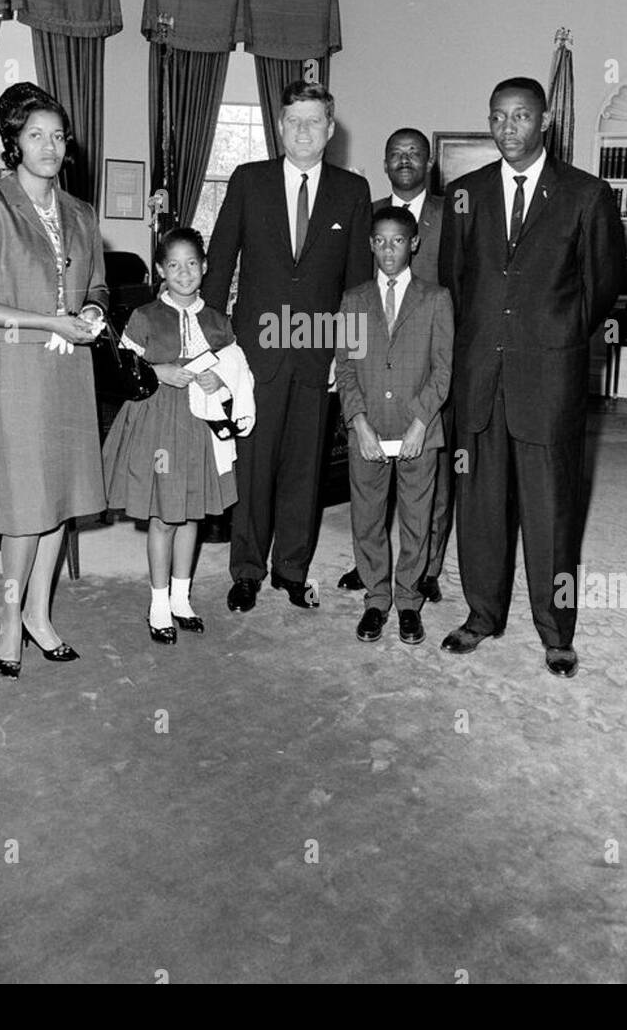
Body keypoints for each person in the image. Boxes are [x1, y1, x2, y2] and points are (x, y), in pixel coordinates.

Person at [437, 76, 626, 677]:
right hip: (480, 379)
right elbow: (455, 287)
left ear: (544, 121)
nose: (508, 127)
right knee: (481, 506)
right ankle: (482, 615)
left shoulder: (586, 195)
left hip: (548, 379)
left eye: (520, 116)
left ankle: (556, 630)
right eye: (497, 117)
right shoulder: (464, 195)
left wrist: (549, 339)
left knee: (552, 514)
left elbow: (599, 291)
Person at [0, 82, 108, 678]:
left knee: (59, 495)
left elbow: (95, 289)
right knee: (23, 502)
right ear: (13, 143)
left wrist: (90, 313)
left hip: (69, 368)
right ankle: (9, 616)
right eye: (35, 134)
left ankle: (40, 614)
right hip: (14, 366)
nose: (49, 146)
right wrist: (46, 320)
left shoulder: (82, 214)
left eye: (58, 135)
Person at [202, 81, 372, 612]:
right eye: (293, 121)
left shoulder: (352, 190)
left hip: (317, 354)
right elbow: (219, 265)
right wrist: (216, 348)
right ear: (279, 126)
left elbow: (357, 286)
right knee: (253, 466)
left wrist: (345, 357)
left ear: (329, 129)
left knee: (306, 467)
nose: (303, 131)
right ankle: (247, 570)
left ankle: (292, 571)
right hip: (255, 352)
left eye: (313, 122)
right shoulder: (249, 181)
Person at [102, 227, 254, 644]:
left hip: (200, 427)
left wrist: (217, 384)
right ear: (160, 271)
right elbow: (123, 371)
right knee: (164, 515)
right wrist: (158, 372)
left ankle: (182, 598)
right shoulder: (145, 316)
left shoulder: (218, 321)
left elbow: (236, 375)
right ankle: (158, 602)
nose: (184, 273)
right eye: (174, 265)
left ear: (204, 267)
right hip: (158, 423)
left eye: (192, 264)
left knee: (191, 514)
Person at [339, 128, 452, 601]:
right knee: (368, 500)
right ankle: (375, 578)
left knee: (429, 489)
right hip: (371, 358)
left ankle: (423, 572)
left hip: (431, 357)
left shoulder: (451, 215)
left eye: (414, 153)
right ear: (384, 163)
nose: (405, 160)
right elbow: (347, 350)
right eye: (395, 154)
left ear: (429, 162)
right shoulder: (368, 217)